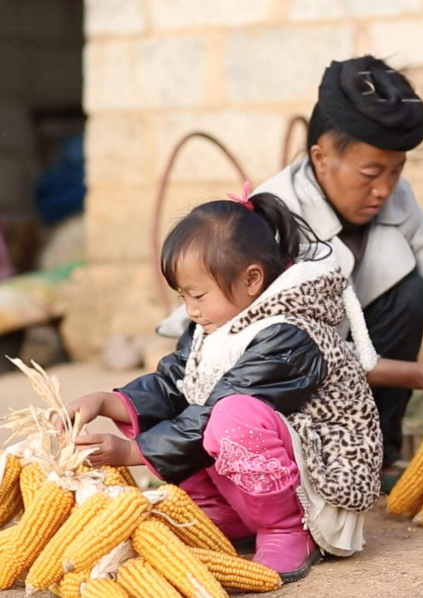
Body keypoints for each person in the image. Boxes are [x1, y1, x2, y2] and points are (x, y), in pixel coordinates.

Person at [159, 56, 423, 484]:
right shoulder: (270, 221)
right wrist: (420, 375)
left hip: (335, 356)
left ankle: (378, 452)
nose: (384, 189)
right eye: (371, 173)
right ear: (320, 158)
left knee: (410, 290)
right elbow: (291, 350)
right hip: (267, 368)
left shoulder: (396, 197)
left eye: (396, 172)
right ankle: (296, 464)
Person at [60, 189, 383, 583]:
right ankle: (226, 515)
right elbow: (175, 385)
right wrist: (106, 402)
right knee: (191, 406)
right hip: (261, 482)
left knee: (232, 415)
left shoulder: (292, 337)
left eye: (197, 295)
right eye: (183, 296)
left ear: (251, 279)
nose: (190, 310)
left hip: (319, 492)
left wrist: (131, 452)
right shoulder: (214, 327)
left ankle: (284, 530)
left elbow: (216, 411)